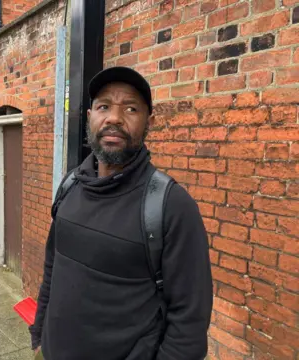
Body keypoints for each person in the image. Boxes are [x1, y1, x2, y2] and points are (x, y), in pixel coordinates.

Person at [29, 66, 213, 360]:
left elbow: (189, 323)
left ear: (148, 122)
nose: (114, 118)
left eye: (130, 108)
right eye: (103, 106)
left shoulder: (171, 206)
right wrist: (39, 333)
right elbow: (52, 268)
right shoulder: (69, 186)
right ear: (90, 117)